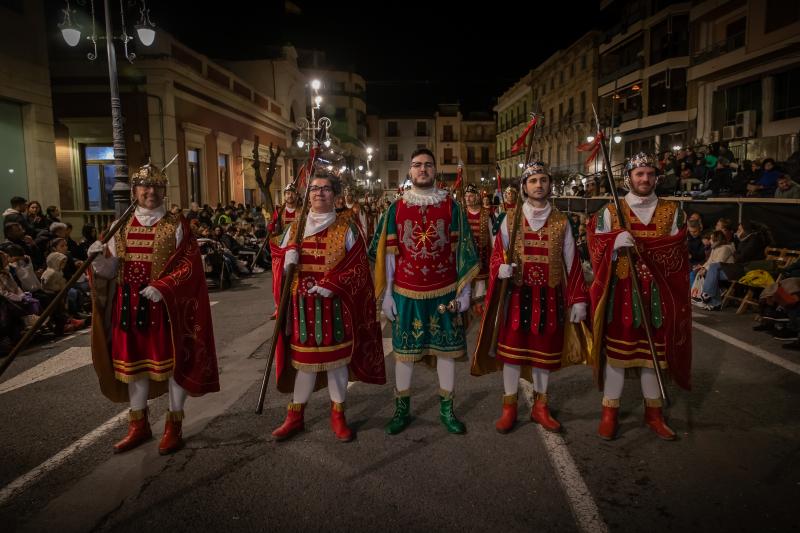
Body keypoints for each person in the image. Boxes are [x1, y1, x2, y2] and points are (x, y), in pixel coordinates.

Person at [89, 160, 219, 454]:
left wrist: (164, 287)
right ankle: (139, 424)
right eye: (145, 187)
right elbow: (110, 272)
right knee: (134, 368)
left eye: (157, 187)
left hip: (166, 309)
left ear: (164, 192)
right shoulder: (117, 227)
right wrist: (97, 259)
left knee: (174, 366)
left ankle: (174, 424)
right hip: (128, 309)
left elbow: (190, 267)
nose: (150, 192)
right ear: (134, 191)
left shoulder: (176, 226)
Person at [471, 161, 589, 433]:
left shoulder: (562, 221)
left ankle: (541, 406)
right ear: (524, 186)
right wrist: (499, 268)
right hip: (517, 294)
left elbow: (572, 263)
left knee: (543, 354)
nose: (539, 185)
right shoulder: (509, 220)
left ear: (549, 185)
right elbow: (497, 253)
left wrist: (578, 299)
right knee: (511, 354)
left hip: (550, 297)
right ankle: (509, 407)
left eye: (543, 180)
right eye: (533, 180)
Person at [369, 148, 479, 435]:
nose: (423, 169)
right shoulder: (396, 208)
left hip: (444, 292)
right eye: (417, 165)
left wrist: (464, 293)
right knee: (404, 353)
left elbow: (463, 252)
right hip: (407, 293)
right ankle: (401, 410)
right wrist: (388, 295)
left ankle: (447, 410)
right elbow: (390, 255)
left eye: (428, 165)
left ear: (435, 170)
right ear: (409, 171)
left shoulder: (452, 207)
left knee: (446, 354)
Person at [270, 172, 385, 442]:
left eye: (325, 189)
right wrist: (287, 260)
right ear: (307, 194)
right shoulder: (294, 227)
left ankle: (338, 414)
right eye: (314, 189)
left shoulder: (347, 227)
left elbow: (359, 268)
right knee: (304, 364)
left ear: (335, 195)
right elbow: (277, 262)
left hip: (336, 308)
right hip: (303, 307)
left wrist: (333, 283)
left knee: (337, 363)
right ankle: (295, 415)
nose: (319, 193)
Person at [587, 152, 691, 441]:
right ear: (628, 178)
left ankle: (653, 413)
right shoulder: (610, 212)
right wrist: (612, 244)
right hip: (622, 293)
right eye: (639, 174)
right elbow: (593, 246)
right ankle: (610, 411)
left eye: (649, 174)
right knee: (619, 356)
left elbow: (679, 252)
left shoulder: (673, 211)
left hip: (659, 293)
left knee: (652, 357)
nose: (645, 179)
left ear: (656, 177)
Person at [268, 183, 300, 319]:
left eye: (292, 193)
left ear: (296, 195)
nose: (290, 195)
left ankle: (296, 307)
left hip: (297, 248)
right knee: (278, 280)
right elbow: (273, 230)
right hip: (281, 249)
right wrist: (271, 227)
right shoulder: (279, 211)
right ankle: (278, 307)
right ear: (284, 195)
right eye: (287, 193)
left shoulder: (302, 210)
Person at [463, 184, 493, 310]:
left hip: (483, 260)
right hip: (465, 261)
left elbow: (493, 238)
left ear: (477, 197)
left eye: (471, 196)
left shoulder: (487, 214)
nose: (468, 199)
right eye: (466, 196)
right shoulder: (461, 213)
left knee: (481, 293)